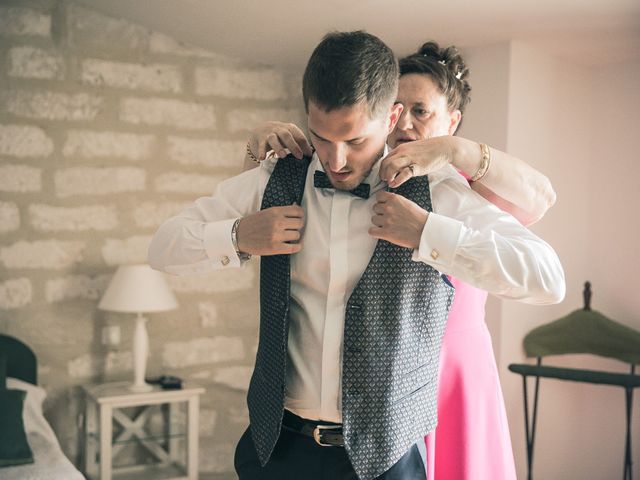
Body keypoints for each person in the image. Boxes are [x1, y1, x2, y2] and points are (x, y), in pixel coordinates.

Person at [149, 31, 565, 480]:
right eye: (322, 138)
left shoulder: (438, 191)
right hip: (278, 448)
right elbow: (163, 248)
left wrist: (428, 232)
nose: (337, 160)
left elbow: (548, 280)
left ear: (392, 117)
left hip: (386, 457)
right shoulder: (275, 179)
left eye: (354, 140)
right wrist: (238, 236)